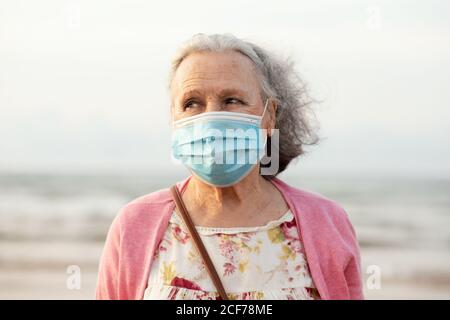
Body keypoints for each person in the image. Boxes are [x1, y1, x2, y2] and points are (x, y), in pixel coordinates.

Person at [96, 33, 363, 300]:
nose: (210, 118)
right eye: (191, 103)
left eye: (231, 100)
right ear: (174, 119)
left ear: (268, 117)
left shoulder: (327, 222)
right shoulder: (134, 225)